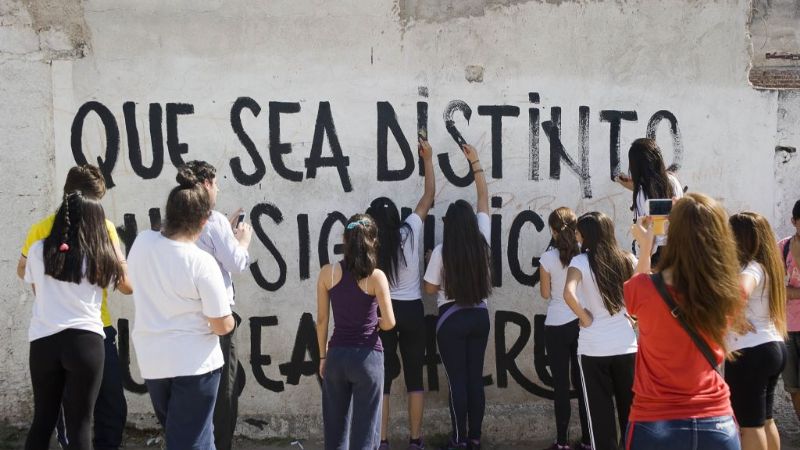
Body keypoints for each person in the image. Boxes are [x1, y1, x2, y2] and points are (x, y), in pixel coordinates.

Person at [17, 165, 130, 450]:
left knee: (46, 420)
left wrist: (48, 290)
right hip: (90, 333)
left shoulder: (39, 235)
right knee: (91, 416)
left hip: (47, 336)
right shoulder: (102, 230)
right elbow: (125, 283)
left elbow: (25, 271)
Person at [624, 193, 742, 450]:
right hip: (717, 422)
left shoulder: (643, 288)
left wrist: (647, 245)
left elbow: (630, 299)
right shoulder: (729, 291)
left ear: (672, 233)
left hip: (655, 421)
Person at [128, 168, 235, 449]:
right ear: (203, 222)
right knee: (191, 442)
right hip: (195, 366)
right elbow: (221, 325)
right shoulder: (201, 263)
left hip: (153, 363)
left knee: (196, 436)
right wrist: (230, 321)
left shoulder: (141, 243)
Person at [368, 138, 435, 450]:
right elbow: (429, 195)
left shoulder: (372, 244)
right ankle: (415, 439)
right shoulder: (410, 229)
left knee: (383, 381)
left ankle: (381, 441)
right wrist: (428, 160)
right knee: (414, 378)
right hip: (412, 311)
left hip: (384, 312)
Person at [423, 144, 491, 450]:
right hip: (480, 316)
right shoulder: (482, 241)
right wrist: (475, 162)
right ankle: (475, 437)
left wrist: (430, 263)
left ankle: (459, 439)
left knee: (457, 381)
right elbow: (483, 200)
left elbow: (429, 289)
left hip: (450, 320)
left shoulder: (441, 251)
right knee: (475, 379)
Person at [184, 160, 253, 450]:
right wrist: (242, 241)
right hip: (219, 317)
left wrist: (225, 227)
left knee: (198, 386)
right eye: (216, 183)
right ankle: (220, 444)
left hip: (188, 317)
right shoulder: (213, 222)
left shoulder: (178, 220)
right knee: (225, 388)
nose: (219, 188)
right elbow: (236, 263)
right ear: (206, 185)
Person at [316, 214, 396, 450]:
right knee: (366, 433)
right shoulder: (376, 276)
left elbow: (321, 321)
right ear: (373, 241)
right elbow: (390, 322)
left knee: (335, 433)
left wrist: (323, 357)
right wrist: (376, 323)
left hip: (337, 357)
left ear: (345, 239)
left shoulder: (327, 273)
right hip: (368, 359)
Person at [563, 212, 641, 450]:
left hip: (593, 349)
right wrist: (636, 317)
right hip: (627, 345)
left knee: (600, 420)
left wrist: (584, 316)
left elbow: (568, 293)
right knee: (631, 417)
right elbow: (641, 293)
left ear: (587, 235)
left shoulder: (579, 262)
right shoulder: (628, 259)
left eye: (578, 233)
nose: (576, 236)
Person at [726, 212, 788, 450]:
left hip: (751, 351)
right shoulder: (768, 266)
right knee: (766, 420)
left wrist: (734, 315)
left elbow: (740, 291)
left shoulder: (751, 268)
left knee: (749, 426)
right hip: (773, 347)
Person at [538, 207, 590, 450]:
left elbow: (545, 294)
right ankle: (589, 439)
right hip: (581, 323)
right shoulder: (584, 256)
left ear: (553, 230)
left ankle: (561, 441)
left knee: (560, 385)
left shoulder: (547, 258)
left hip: (556, 325)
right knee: (582, 382)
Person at [615, 138, 683, 262]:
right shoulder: (672, 181)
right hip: (677, 247)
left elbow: (650, 231)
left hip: (657, 254)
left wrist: (645, 259)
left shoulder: (643, 193)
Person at [780, 199, 800, 426]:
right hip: (786, 329)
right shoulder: (782, 247)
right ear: (793, 221)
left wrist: (790, 291)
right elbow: (774, 285)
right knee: (794, 388)